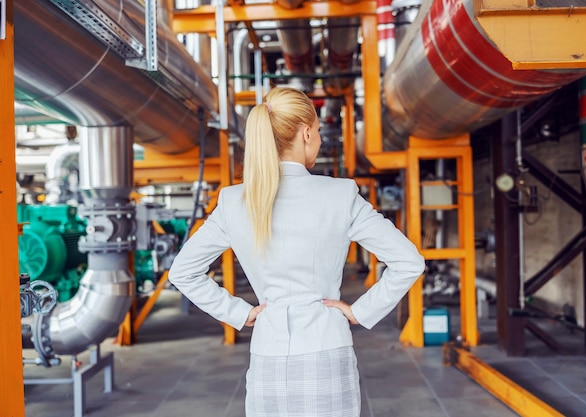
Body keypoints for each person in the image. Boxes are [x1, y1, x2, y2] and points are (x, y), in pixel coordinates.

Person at [168, 87, 425, 417]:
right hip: (327, 349)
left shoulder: (234, 201)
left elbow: (182, 272)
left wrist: (238, 313)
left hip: (268, 353)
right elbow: (409, 261)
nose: (319, 139)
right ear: (306, 133)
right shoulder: (339, 194)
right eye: (318, 131)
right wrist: (361, 311)